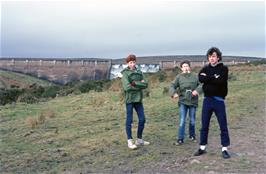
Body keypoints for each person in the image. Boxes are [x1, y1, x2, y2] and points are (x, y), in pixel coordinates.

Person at [194, 47, 231, 159]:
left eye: (214, 56)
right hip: (207, 100)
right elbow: (200, 78)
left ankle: (224, 148)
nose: (212, 58)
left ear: (218, 57)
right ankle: (202, 147)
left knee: (222, 125)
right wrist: (213, 77)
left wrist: (208, 78)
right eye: (210, 56)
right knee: (204, 125)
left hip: (219, 101)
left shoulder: (223, 68)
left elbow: (221, 81)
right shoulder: (205, 68)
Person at [121, 54, 150, 150]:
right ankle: (130, 141)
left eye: (133, 62)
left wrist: (134, 83)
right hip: (129, 100)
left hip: (138, 99)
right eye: (130, 62)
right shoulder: (125, 73)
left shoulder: (139, 72)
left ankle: (139, 139)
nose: (132, 64)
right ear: (127, 63)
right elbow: (127, 87)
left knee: (142, 119)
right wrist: (139, 85)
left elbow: (145, 84)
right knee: (129, 121)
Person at [169, 60, 201, 145]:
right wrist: (174, 93)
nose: (185, 68)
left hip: (193, 100)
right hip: (183, 101)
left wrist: (197, 91)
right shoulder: (179, 77)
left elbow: (201, 84)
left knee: (192, 120)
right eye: (184, 66)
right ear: (181, 68)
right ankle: (180, 138)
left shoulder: (195, 76)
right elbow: (172, 85)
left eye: (187, 66)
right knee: (182, 120)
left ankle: (192, 135)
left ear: (189, 67)